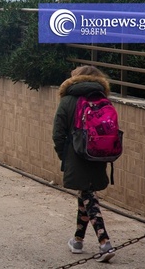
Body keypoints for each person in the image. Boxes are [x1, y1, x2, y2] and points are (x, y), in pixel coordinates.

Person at [52, 65, 116, 263]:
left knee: (88, 195)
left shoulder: (68, 100)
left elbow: (58, 134)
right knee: (85, 193)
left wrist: (65, 155)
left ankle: (104, 242)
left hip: (76, 155)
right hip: (99, 154)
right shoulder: (104, 100)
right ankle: (78, 240)